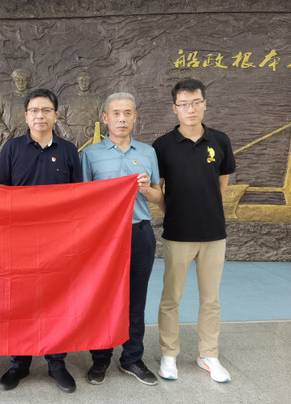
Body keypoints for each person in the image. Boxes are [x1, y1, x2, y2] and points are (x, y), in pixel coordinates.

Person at [0, 88, 83, 394]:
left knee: (58, 300)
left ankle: (56, 362)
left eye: (46, 110)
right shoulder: (12, 148)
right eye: (34, 110)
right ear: (26, 116)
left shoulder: (69, 150)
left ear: (56, 115)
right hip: (19, 241)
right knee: (21, 301)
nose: (39, 115)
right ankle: (19, 362)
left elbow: (79, 196)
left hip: (58, 242)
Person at [152, 78, 236, 383]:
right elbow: (159, 191)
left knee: (211, 299)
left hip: (214, 234)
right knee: (170, 298)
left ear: (205, 104)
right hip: (178, 234)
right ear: (175, 108)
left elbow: (221, 185)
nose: (191, 109)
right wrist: (174, 212)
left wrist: (205, 208)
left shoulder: (220, 141)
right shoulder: (162, 146)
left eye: (196, 103)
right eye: (184, 104)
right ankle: (169, 354)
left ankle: (208, 355)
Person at [81, 92, 164, 386]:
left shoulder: (148, 153)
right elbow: (81, 199)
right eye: (116, 113)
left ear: (135, 117)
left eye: (128, 113)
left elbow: (159, 197)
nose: (122, 119)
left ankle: (132, 358)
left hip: (139, 233)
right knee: (102, 298)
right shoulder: (90, 154)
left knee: (135, 299)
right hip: (103, 238)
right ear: (105, 118)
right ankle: (100, 357)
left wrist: (147, 189)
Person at [56, 73, 102, 148]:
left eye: (87, 81)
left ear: (90, 82)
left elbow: (103, 119)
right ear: (77, 82)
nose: (84, 83)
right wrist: (66, 132)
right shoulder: (68, 99)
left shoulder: (97, 99)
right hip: (72, 135)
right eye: (81, 81)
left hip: (90, 135)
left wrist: (96, 132)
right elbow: (59, 117)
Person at [0, 68, 31, 150]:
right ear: (13, 82)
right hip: (10, 134)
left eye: (23, 80)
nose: (21, 83)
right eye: (18, 80)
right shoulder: (4, 98)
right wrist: (4, 130)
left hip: (29, 136)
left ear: (27, 82)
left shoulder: (35, 98)